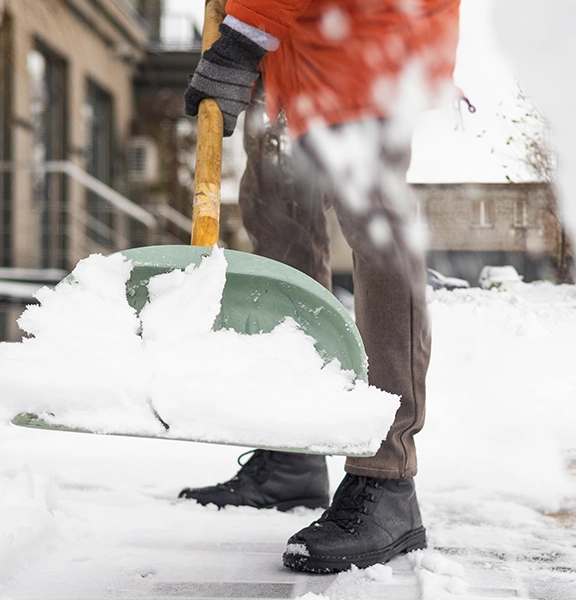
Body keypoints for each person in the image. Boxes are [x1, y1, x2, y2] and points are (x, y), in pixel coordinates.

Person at [176, 0, 460, 574]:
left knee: (374, 227)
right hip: (289, 48)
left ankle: (388, 477)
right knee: (277, 222)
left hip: (365, 36)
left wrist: (242, 37)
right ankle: (293, 452)